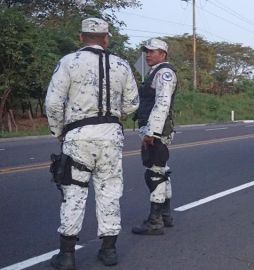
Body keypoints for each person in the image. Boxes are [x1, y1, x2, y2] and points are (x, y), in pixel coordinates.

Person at [45, 18, 139, 269]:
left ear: (80, 37)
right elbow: (132, 104)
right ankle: (109, 251)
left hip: (78, 135)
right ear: (106, 38)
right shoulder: (121, 64)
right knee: (109, 190)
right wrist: (113, 115)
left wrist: (58, 132)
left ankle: (66, 255)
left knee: (73, 192)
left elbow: (53, 103)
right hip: (110, 135)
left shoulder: (68, 62)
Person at [132, 38, 178, 235]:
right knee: (161, 170)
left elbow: (162, 104)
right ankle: (166, 215)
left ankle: (155, 221)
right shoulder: (154, 72)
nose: (148, 55)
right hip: (155, 130)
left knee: (154, 174)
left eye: (153, 51)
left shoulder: (164, 73)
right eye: (147, 51)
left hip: (157, 132)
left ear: (163, 54)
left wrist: (151, 132)